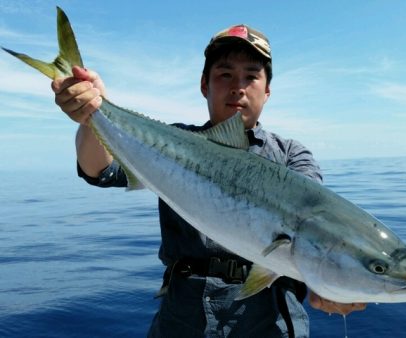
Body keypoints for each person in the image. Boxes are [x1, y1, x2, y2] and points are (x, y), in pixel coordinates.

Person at [52, 24, 366, 338]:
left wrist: (332, 283)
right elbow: (100, 171)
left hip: (268, 320)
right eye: (225, 74)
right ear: (205, 85)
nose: (238, 87)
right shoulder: (173, 142)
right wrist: (91, 113)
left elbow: (315, 226)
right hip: (183, 317)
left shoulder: (291, 156)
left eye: (251, 76)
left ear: (267, 91)